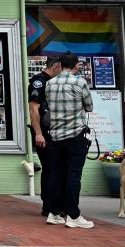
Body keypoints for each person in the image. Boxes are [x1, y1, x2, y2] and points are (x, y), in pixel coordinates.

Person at [44, 53, 95, 229]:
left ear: (60, 65)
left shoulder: (50, 83)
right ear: (76, 65)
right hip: (75, 134)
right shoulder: (80, 82)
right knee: (74, 175)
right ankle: (73, 215)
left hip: (56, 135)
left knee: (56, 174)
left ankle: (53, 212)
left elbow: (49, 106)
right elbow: (89, 106)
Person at [28, 56, 63, 220]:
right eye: (62, 69)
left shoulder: (51, 82)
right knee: (51, 168)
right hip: (44, 132)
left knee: (52, 168)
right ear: (55, 67)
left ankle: (50, 204)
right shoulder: (40, 82)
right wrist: (39, 133)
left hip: (52, 131)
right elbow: (34, 109)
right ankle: (49, 206)